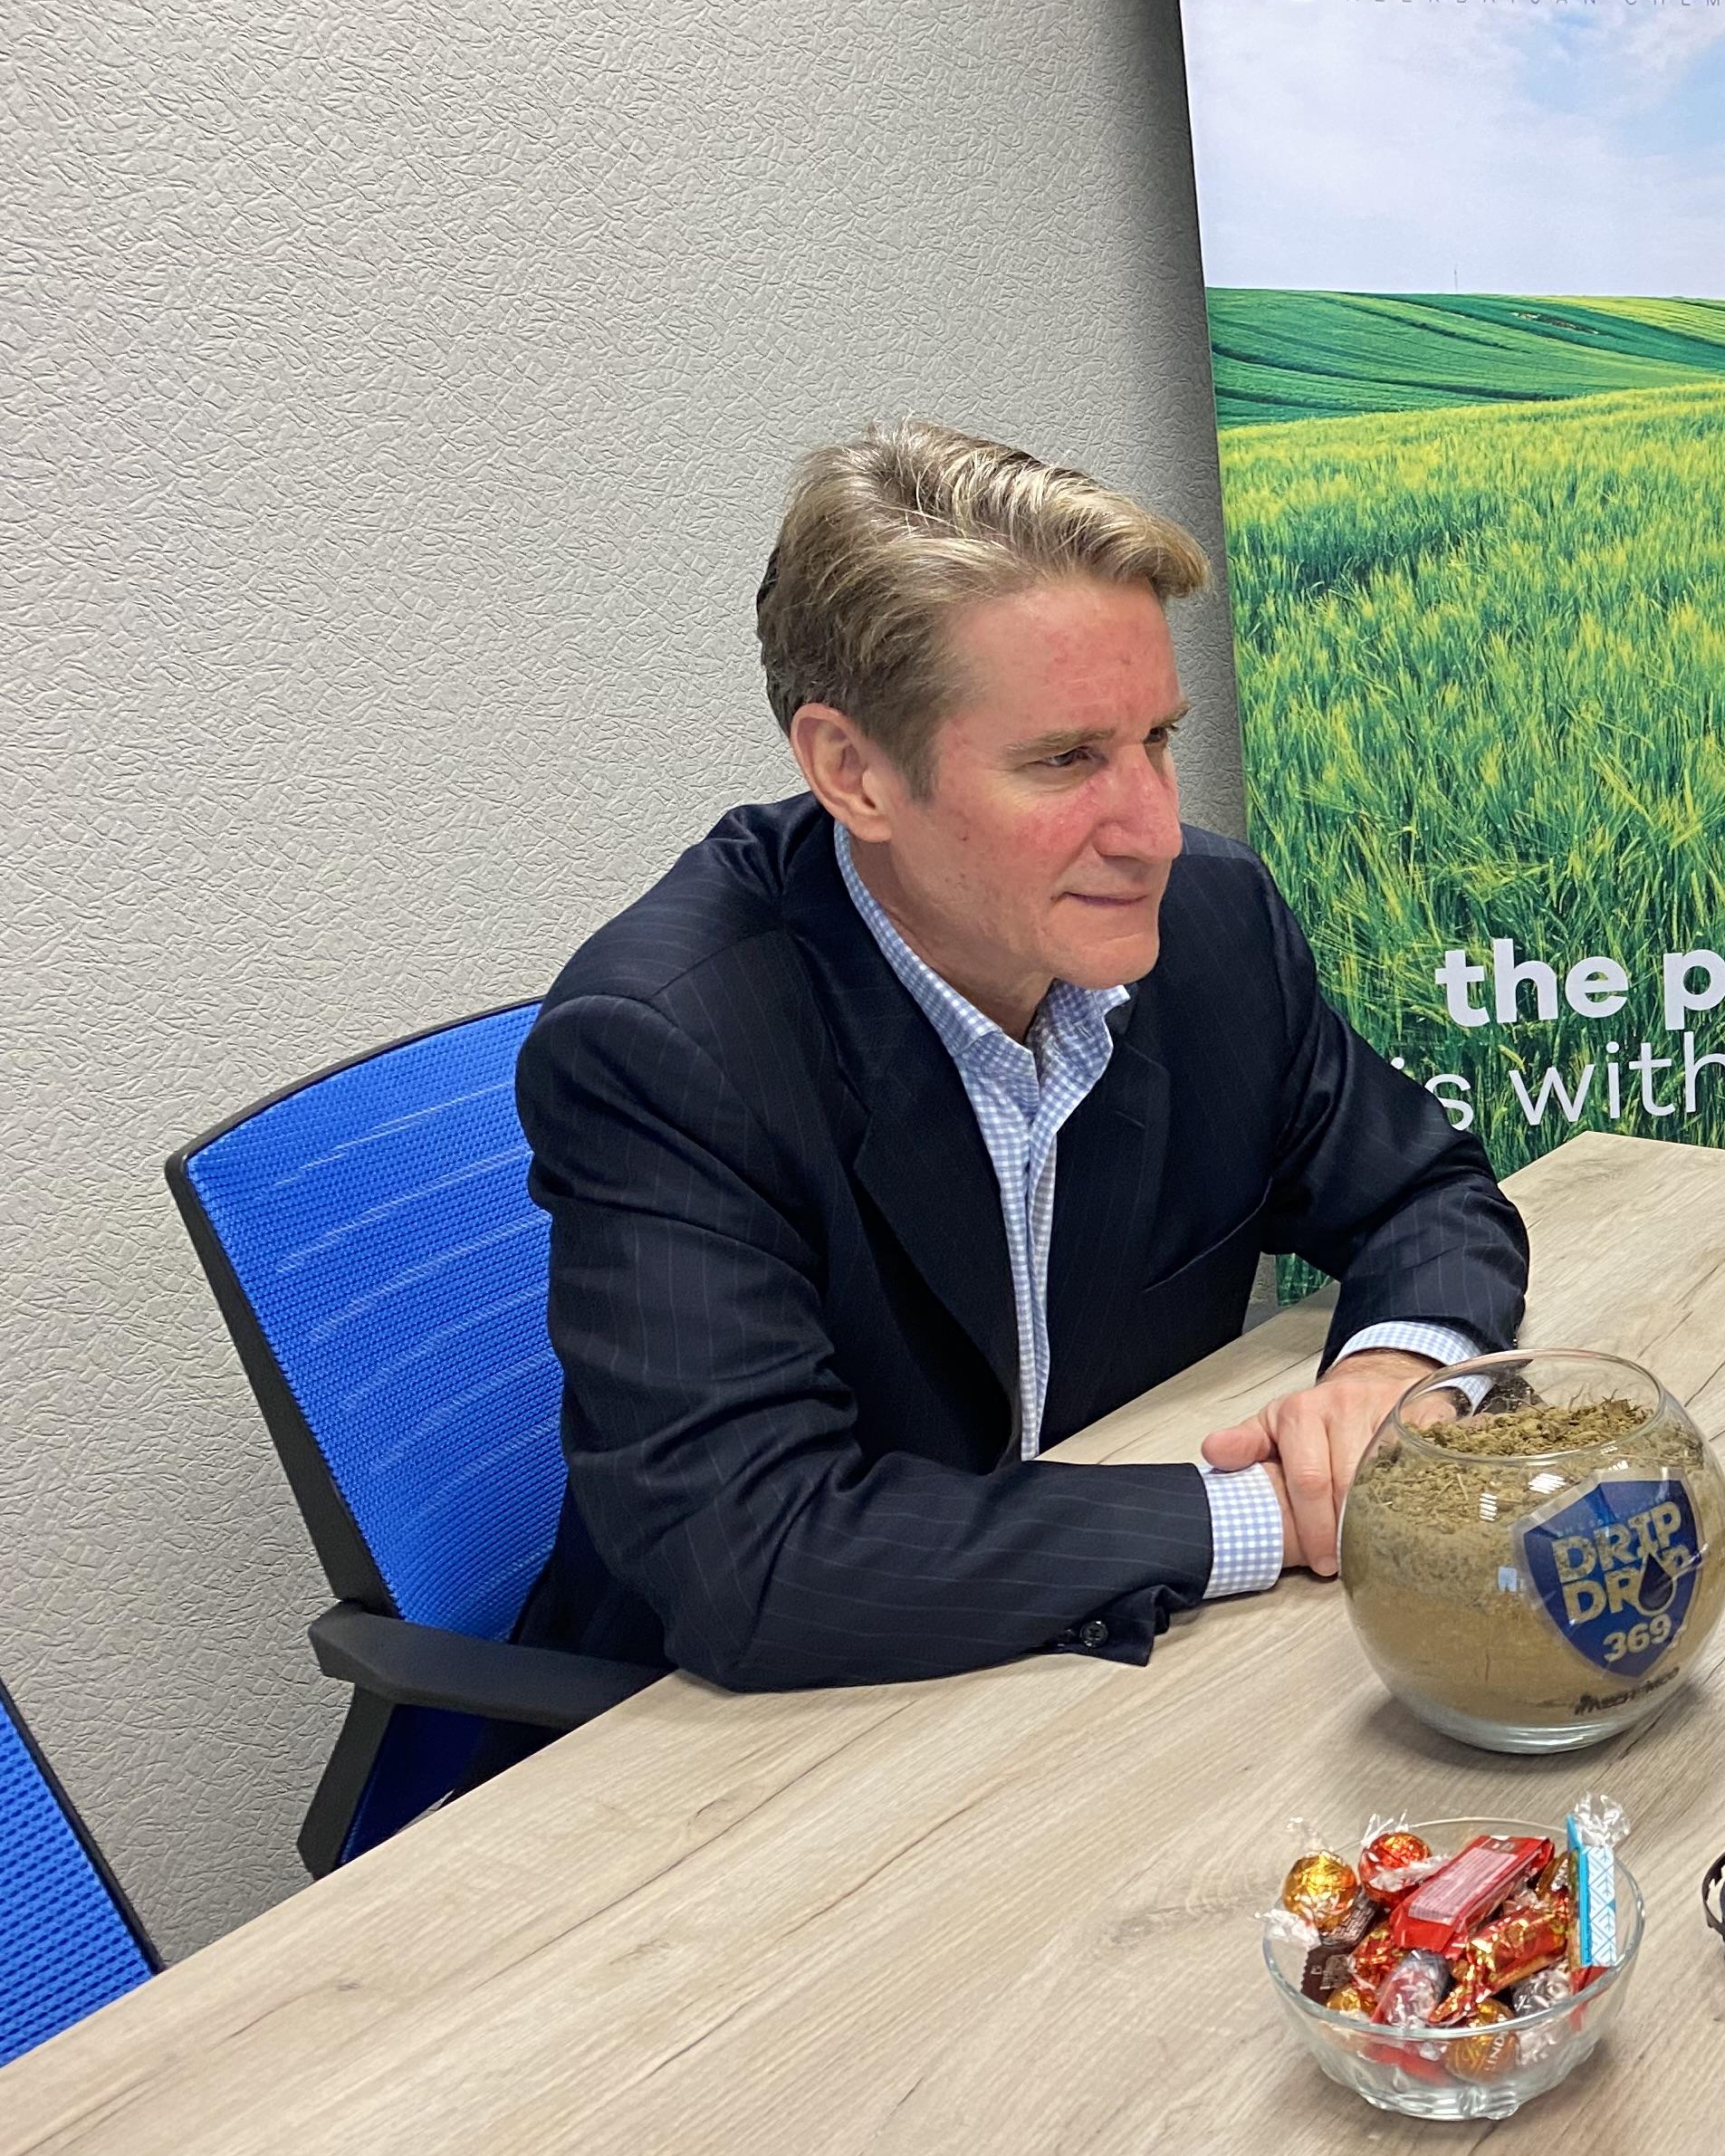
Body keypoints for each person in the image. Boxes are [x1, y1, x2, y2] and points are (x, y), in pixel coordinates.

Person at [514, 425, 1525, 1692]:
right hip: (727, 1745)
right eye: (1066, 760)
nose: (1155, 831)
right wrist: (1274, 1512)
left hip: (1092, 1687)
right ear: (852, 772)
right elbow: (756, 1562)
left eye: (1158, 739)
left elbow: (1429, 1194)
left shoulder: (1212, 928)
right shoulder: (671, 1047)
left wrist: (1395, 1377)